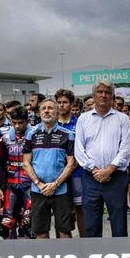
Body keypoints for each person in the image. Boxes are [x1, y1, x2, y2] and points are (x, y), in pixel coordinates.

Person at [74, 80, 130, 237]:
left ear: (112, 96)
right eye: (100, 92)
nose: (103, 95)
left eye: (107, 92)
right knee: (91, 225)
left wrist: (109, 170)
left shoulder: (122, 119)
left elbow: (126, 149)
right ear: (94, 95)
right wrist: (94, 169)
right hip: (90, 177)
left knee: (119, 224)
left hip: (116, 177)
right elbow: (79, 150)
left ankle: (120, 257)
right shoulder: (83, 119)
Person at [23, 99, 76, 239]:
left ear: (57, 112)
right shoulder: (31, 134)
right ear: (39, 113)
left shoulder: (68, 135)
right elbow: (26, 163)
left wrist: (56, 184)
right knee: (40, 232)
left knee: (64, 231)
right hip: (38, 190)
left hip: (61, 190)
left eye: (51, 108)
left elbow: (71, 163)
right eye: (43, 109)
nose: (47, 111)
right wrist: (39, 184)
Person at [0, 106, 33, 238]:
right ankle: (11, 252)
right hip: (10, 183)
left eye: (20, 123)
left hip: (30, 184)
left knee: (28, 222)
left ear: (27, 121)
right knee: (6, 223)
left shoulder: (36, 135)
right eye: (14, 122)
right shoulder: (3, 136)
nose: (17, 126)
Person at [54, 88, 86, 237]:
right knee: (62, 211)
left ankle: (85, 244)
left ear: (71, 104)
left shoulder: (80, 123)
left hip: (77, 173)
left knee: (80, 210)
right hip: (57, 174)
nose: (61, 105)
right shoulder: (51, 124)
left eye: (65, 102)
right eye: (59, 102)